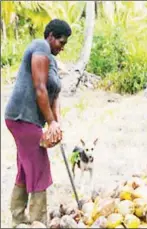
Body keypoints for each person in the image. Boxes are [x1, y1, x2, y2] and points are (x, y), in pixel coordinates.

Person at [4, 19, 72, 226]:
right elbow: (40, 88)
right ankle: (38, 221)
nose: (62, 47)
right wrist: (50, 122)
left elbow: (54, 95)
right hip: (21, 117)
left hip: (30, 121)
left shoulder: (51, 60)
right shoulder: (40, 46)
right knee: (40, 166)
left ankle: (18, 219)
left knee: (26, 167)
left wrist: (57, 124)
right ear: (50, 36)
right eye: (61, 42)